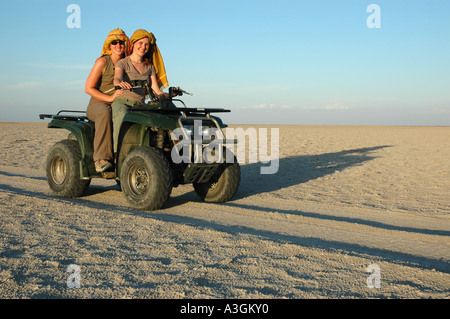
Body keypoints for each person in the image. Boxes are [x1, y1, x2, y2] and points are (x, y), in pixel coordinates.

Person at [111, 29, 170, 154]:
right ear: (133, 44)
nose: (143, 47)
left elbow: (155, 89)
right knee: (122, 115)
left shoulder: (149, 66)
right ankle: (118, 154)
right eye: (140, 43)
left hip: (140, 105)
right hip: (123, 102)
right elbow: (117, 78)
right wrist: (119, 83)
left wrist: (168, 94)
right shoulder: (123, 63)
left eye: (146, 44)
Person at [85, 28, 129, 173]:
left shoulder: (128, 62)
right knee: (105, 113)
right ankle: (101, 159)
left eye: (121, 42)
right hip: (98, 103)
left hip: (120, 103)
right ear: (109, 45)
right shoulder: (102, 61)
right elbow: (88, 88)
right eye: (114, 42)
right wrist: (109, 98)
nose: (118, 45)